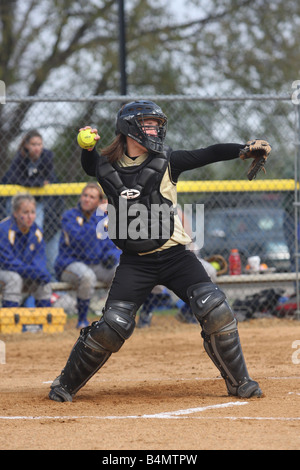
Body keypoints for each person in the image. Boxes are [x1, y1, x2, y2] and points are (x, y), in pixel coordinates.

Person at [49, 99, 267, 402]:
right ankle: (64, 385)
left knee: (215, 309)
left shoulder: (168, 161)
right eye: (148, 123)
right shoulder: (107, 165)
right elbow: (91, 166)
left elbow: (209, 153)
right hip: (135, 262)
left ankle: (240, 381)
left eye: (156, 124)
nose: (154, 129)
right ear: (128, 129)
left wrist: (242, 149)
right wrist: (87, 147)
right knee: (112, 326)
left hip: (175, 256)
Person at [54, 183, 121, 328]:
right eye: (85, 195)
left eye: (92, 197)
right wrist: (99, 217)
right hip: (70, 264)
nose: (87, 199)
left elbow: (112, 245)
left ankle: (111, 316)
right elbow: (80, 240)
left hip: (95, 264)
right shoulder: (69, 216)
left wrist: (111, 256)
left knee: (121, 271)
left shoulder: (103, 218)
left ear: (99, 201)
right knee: (87, 276)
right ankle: (82, 320)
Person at [1, 130, 64, 277]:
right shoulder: (20, 158)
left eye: (39, 144)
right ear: (26, 146)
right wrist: (37, 183)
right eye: (33, 144)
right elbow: (15, 179)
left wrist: (30, 183)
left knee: (37, 231)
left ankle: (39, 274)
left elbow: (48, 178)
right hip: (19, 201)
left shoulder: (47, 156)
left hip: (40, 204)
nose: (37, 147)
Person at [0, 193, 52, 308]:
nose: (30, 216)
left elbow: (40, 259)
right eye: (25, 212)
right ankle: (9, 323)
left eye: (33, 212)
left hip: (26, 272)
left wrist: (39, 272)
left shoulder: (36, 231)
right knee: (14, 279)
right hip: (4, 272)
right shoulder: (3, 229)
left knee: (44, 282)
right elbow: (7, 263)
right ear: (15, 213)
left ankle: (43, 324)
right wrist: (33, 271)